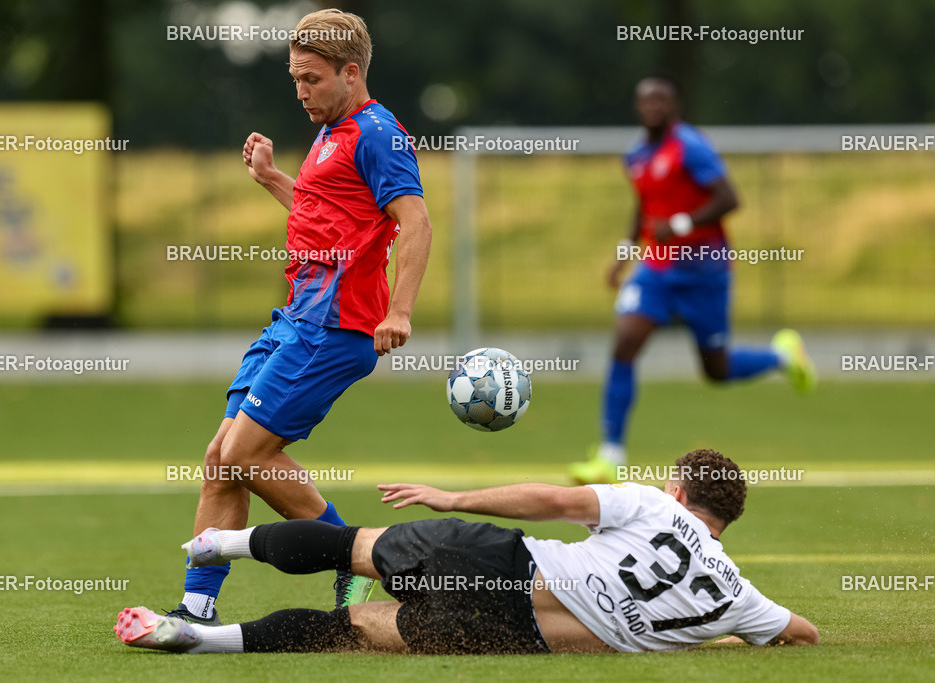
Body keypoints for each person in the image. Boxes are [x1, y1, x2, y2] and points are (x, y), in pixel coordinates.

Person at [168, 8, 433, 625]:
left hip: (334, 327)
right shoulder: (331, 130)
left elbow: (416, 222)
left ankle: (356, 558)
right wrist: (269, 179)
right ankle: (196, 606)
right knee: (221, 457)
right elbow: (325, 217)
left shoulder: (378, 134)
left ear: (351, 72)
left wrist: (399, 311)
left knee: (241, 454)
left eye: (312, 79)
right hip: (296, 319)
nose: (300, 91)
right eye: (295, 78)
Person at [116, 449, 818, 654]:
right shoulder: (736, 597)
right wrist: (725, 635)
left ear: (680, 490)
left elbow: (553, 500)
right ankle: (203, 640)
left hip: (501, 561)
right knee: (348, 630)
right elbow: (801, 634)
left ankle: (220, 542)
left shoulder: (656, 504)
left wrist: (453, 498)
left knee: (351, 547)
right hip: (515, 634)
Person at [570, 74, 816, 485]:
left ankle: (783, 356)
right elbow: (644, 207)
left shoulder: (691, 146)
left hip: (704, 270)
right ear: (638, 107)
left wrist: (681, 223)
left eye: (661, 100)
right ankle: (609, 456)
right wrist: (624, 253)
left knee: (716, 369)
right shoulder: (636, 155)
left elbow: (729, 198)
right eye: (646, 100)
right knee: (625, 343)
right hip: (657, 269)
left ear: (674, 106)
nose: (653, 107)